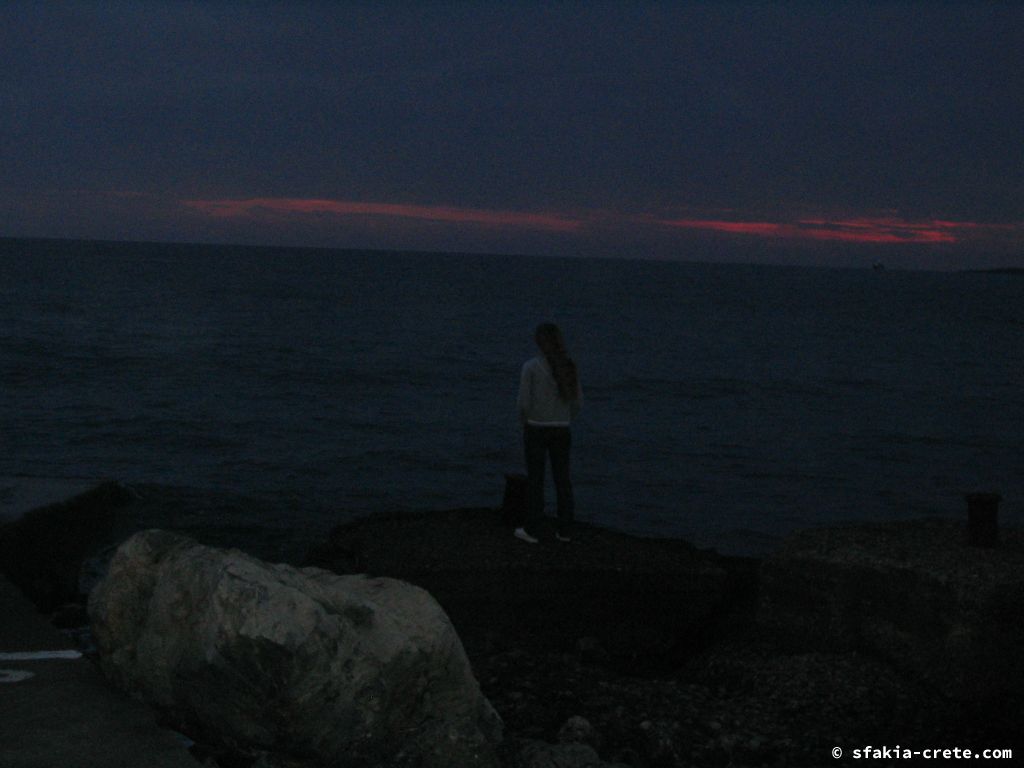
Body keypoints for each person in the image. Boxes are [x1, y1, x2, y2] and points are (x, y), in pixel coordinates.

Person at [514, 322, 582, 543]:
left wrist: (525, 421)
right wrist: (565, 419)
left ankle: (533, 528)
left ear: (539, 342)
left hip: (536, 428)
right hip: (562, 430)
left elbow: (523, 403)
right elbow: (578, 402)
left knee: (536, 480)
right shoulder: (569, 366)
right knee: (562, 480)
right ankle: (565, 530)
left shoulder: (531, 367)